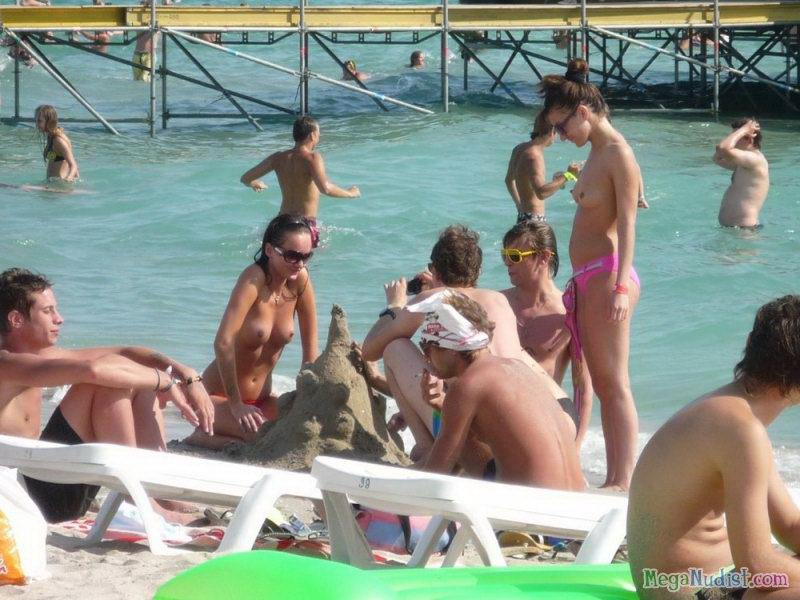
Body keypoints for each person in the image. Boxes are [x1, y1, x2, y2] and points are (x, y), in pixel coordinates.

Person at [0, 268, 214, 523]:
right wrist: (165, 383)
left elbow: (124, 353)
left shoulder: (41, 357)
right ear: (16, 319)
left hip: (47, 483)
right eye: (48, 311)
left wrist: (186, 374)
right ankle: (138, 498)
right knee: (105, 382)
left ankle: (154, 490)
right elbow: (94, 370)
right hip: (26, 496)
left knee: (132, 377)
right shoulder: (6, 364)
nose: (60, 319)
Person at [362, 224, 577, 473]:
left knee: (394, 348)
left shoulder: (434, 298)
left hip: (482, 437)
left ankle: (427, 448)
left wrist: (394, 307)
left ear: (434, 270)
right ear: (479, 270)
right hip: (548, 426)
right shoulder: (499, 299)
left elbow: (370, 351)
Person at [628, 296, 800, 599]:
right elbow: (758, 567)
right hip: (690, 591)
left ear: (750, 343)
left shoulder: (731, 414)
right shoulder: (743, 432)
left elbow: (787, 525)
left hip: (712, 580)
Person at [540, 58, 641, 490]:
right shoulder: (598, 154)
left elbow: (630, 224)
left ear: (583, 112)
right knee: (600, 383)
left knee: (614, 383)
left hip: (608, 275)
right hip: (589, 277)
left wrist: (619, 286)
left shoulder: (618, 153)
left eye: (562, 126)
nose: (561, 136)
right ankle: (614, 478)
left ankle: (625, 479)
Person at [414, 291, 585, 489]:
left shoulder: (468, 385)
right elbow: (499, 438)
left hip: (532, 504)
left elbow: (436, 474)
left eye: (427, 348)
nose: (426, 358)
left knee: (453, 447)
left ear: (450, 348)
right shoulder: (518, 368)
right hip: (574, 497)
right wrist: (442, 406)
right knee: (463, 437)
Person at [184, 215, 319, 450]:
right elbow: (223, 342)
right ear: (269, 250)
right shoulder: (253, 279)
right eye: (292, 255)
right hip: (218, 397)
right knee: (268, 440)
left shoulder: (300, 281)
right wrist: (236, 405)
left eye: (306, 256)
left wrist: (304, 399)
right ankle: (201, 437)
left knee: (305, 432)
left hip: (263, 400)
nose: (299, 263)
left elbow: (310, 353)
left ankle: (223, 437)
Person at [500, 220, 593, 447]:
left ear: (543, 257)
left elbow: (582, 387)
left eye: (515, 256)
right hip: (499, 414)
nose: (507, 263)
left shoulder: (568, 313)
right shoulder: (498, 303)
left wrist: (575, 447)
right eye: (505, 256)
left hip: (544, 415)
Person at [239, 116, 361, 248]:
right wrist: (350, 193)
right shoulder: (312, 158)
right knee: (310, 257)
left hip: (281, 222)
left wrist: (254, 183)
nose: (319, 137)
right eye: (319, 134)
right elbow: (326, 188)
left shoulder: (277, 157)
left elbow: (245, 178)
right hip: (303, 225)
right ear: (312, 135)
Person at [505, 111, 581, 223]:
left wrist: (519, 205)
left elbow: (508, 181)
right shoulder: (535, 156)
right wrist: (567, 175)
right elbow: (541, 192)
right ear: (552, 132)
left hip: (523, 216)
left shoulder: (519, 148)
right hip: (535, 219)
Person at [712, 118, 769, 228]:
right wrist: (741, 131)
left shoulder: (755, 160)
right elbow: (717, 158)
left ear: (749, 139)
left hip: (745, 230)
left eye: (737, 137)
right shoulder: (743, 163)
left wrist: (744, 130)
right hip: (733, 229)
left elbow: (723, 148)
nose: (733, 140)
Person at [35, 105, 79, 182]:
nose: (36, 124)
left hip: (60, 183)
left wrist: (68, 181)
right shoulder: (51, 136)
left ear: (49, 121)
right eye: (35, 121)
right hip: (53, 182)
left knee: (21, 187)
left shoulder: (58, 140)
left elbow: (73, 165)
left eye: (39, 121)